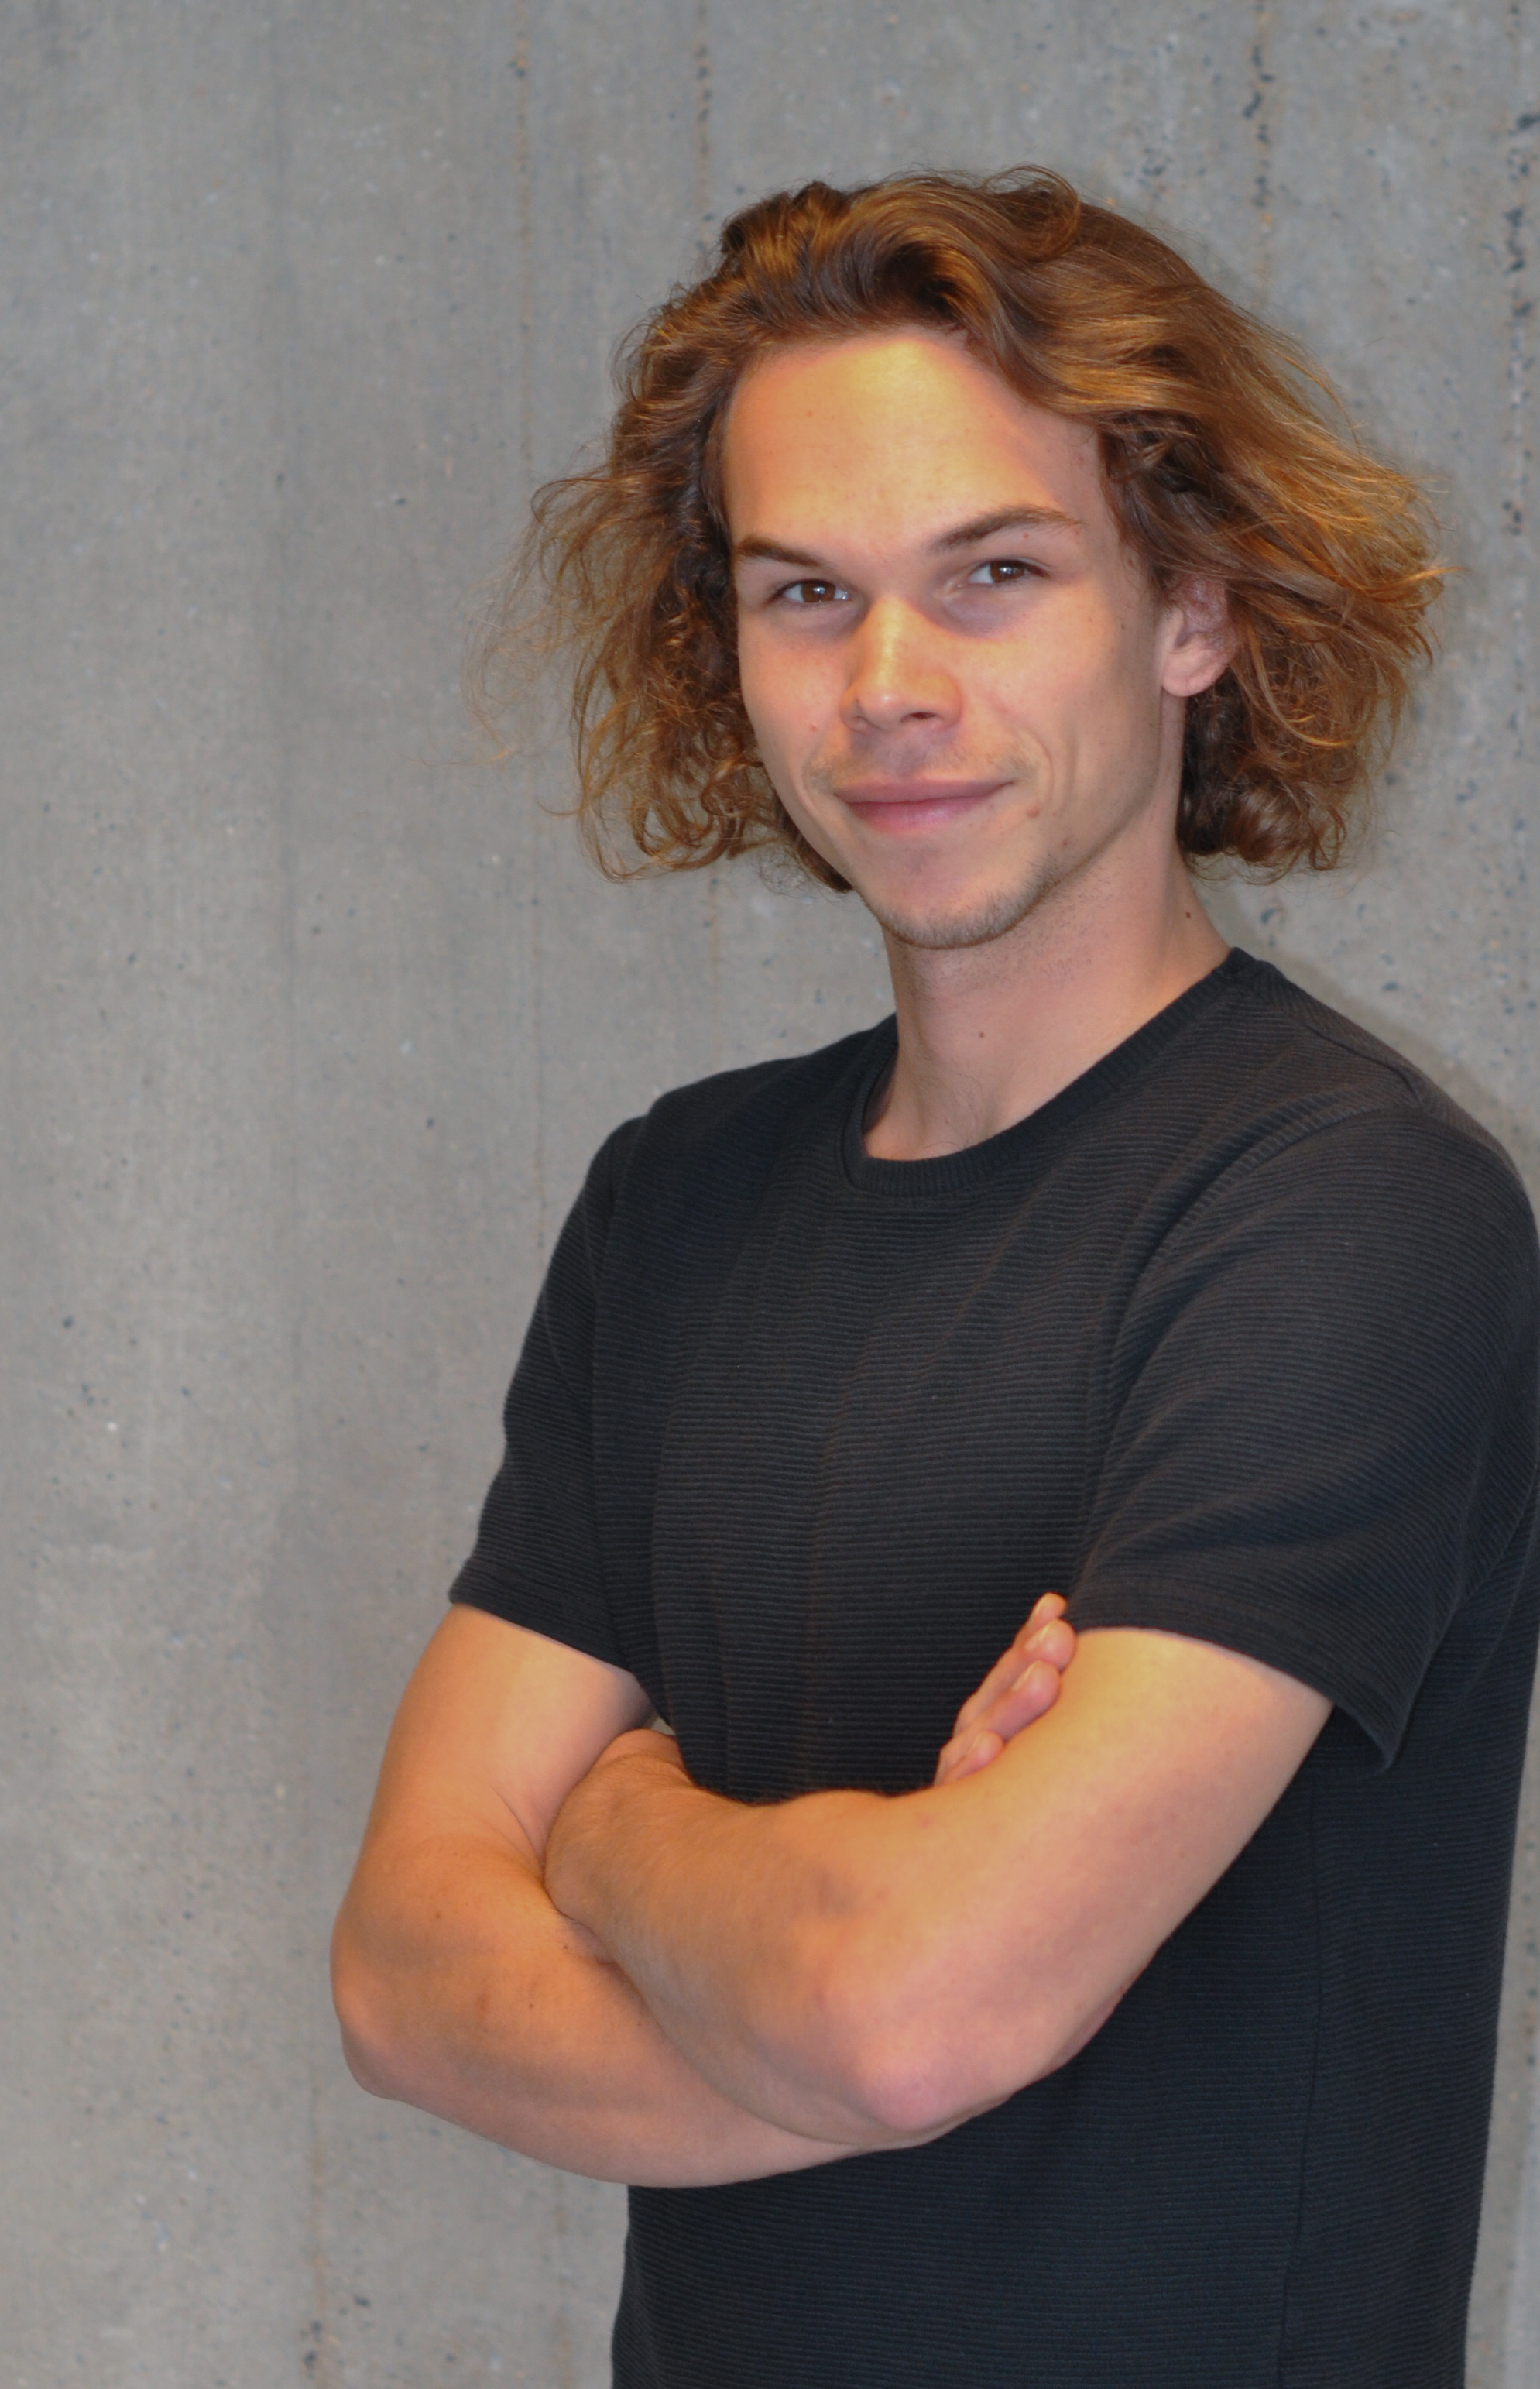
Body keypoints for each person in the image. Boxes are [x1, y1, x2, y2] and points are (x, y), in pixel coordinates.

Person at [331, 171, 1540, 2387]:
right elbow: (404, 1975)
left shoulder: (1342, 1210)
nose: (889, 687)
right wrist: (846, 1963)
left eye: (993, 574)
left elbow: (912, 2021)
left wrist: (616, 1823)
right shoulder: (678, 1204)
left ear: (1191, 610)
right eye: (807, 593)